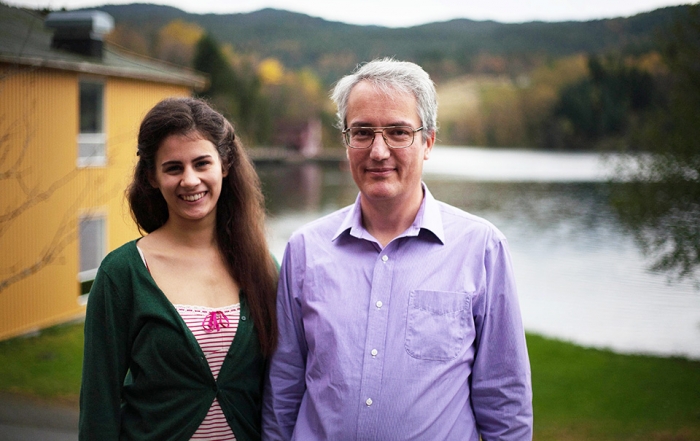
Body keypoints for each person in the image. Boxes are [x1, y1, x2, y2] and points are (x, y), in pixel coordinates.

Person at [263, 58, 533, 440]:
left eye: (398, 132)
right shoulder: (305, 249)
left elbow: (504, 398)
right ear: (345, 141)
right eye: (362, 132)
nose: (378, 150)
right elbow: (284, 387)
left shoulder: (481, 248)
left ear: (428, 142)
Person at [79, 97, 278, 440]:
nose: (190, 180)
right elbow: (99, 401)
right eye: (173, 168)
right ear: (153, 177)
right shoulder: (123, 273)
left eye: (202, 163)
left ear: (225, 166)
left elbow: (283, 385)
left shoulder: (262, 267)